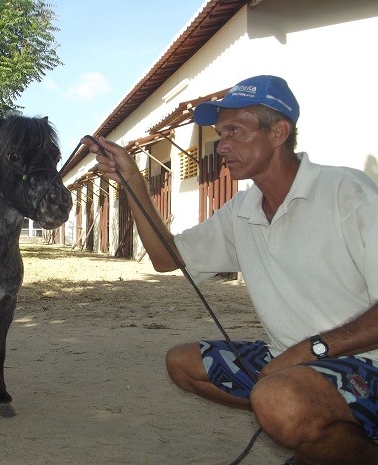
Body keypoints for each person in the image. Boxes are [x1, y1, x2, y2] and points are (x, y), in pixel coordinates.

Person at [83, 75, 378, 465]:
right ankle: (329, 441)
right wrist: (133, 180)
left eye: (234, 131)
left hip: (364, 363)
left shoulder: (347, 192)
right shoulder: (242, 209)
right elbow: (167, 259)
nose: (221, 146)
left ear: (279, 132)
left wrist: (309, 350)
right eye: (220, 134)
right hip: (285, 360)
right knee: (183, 364)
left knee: (278, 398)